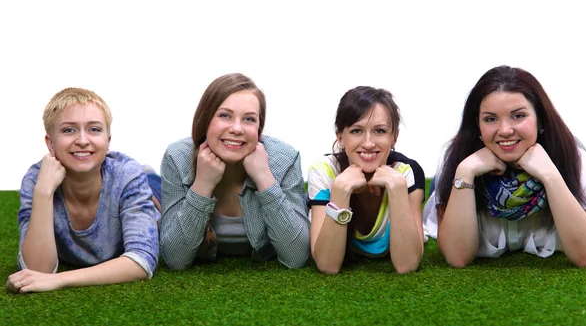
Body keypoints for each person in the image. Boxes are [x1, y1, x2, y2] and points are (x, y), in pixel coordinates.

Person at [423, 65, 586, 268]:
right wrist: (465, 172)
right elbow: (458, 258)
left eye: (518, 116)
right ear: (477, 125)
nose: (505, 130)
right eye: (490, 119)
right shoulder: (457, 160)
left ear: (540, 119)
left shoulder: (573, 157)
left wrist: (550, 176)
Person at [6, 88, 160, 294]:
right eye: (69, 130)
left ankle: (149, 176)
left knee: (153, 189)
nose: (82, 140)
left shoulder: (127, 174)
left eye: (94, 130)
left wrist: (60, 280)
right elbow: (36, 271)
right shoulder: (37, 179)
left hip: (154, 192)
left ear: (108, 142)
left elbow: (142, 260)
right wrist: (43, 192)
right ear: (50, 143)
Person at [159, 73, 310, 270]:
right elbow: (175, 260)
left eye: (249, 119)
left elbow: (296, 257)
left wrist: (264, 178)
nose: (237, 128)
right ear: (206, 120)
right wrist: (202, 185)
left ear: (259, 128)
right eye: (225, 116)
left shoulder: (286, 158)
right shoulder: (177, 157)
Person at [308, 86, 425, 274]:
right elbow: (327, 265)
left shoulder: (406, 173)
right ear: (340, 137)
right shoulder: (324, 171)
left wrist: (396, 188)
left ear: (394, 137)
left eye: (379, 131)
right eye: (356, 131)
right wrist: (340, 191)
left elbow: (407, 265)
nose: (369, 143)